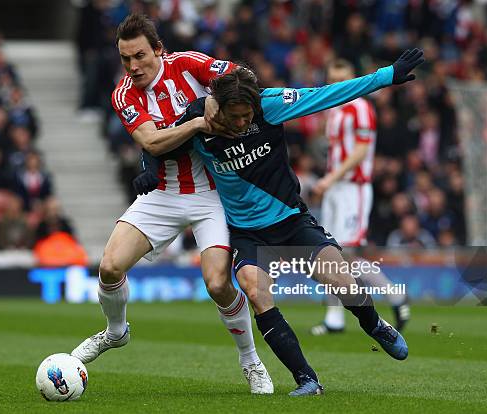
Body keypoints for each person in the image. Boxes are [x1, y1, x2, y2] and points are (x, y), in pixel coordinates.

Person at [134, 51, 423, 395]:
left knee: (344, 283)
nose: (241, 123)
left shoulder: (270, 105)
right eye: (234, 117)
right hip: (247, 232)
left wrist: (386, 75)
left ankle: (375, 325)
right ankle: (307, 379)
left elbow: (327, 95)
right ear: (218, 108)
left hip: (291, 221)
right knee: (255, 292)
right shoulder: (200, 119)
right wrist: (149, 172)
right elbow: (157, 144)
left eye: (246, 117)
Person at [70, 13, 274, 395]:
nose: (133, 66)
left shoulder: (189, 64)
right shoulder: (123, 94)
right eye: (126, 59)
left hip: (212, 194)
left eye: (140, 56)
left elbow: (243, 79)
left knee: (217, 283)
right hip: (162, 194)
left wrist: (214, 97)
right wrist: (197, 122)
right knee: (110, 267)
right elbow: (151, 142)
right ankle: (116, 332)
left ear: (159, 50)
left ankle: (251, 360)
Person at [310, 59, 410, 336]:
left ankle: (392, 296)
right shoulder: (334, 109)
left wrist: (330, 177)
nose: (337, 83)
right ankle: (337, 317)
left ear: (352, 78)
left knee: (346, 254)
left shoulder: (361, 107)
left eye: (342, 78)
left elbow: (362, 151)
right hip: (335, 189)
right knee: (328, 252)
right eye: (332, 78)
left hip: (353, 189)